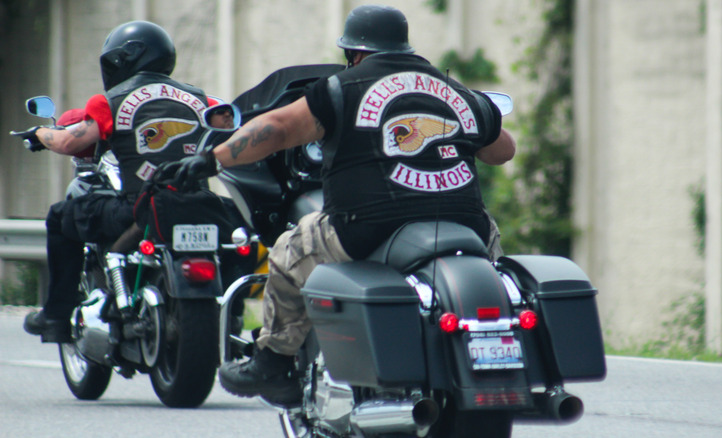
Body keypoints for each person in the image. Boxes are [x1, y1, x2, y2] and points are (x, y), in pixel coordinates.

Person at [173, 4, 515, 405]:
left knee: (288, 251)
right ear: (405, 48)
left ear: (353, 52)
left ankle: (273, 361)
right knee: (496, 263)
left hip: (370, 224)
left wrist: (212, 159)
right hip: (466, 224)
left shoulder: (341, 88)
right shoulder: (453, 90)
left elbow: (278, 128)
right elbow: (502, 151)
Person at [23, 20, 216, 342]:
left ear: (121, 60)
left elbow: (69, 142)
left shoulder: (110, 101)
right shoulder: (201, 99)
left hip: (139, 207)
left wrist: (40, 133)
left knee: (60, 216)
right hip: (199, 205)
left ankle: (56, 316)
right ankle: (234, 316)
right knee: (237, 242)